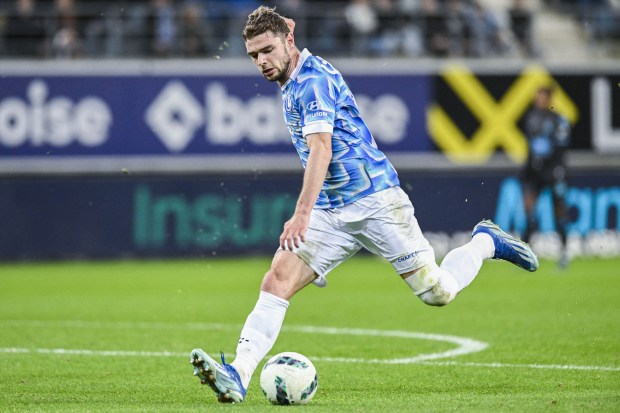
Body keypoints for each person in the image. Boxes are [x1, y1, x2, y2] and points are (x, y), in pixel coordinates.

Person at [189, 6, 539, 403]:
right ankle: (238, 373)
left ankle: (485, 242)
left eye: (267, 51)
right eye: (254, 56)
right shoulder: (291, 81)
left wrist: (300, 213)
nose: (261, 62)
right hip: (330, 209)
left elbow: (322, 149)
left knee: (437, 293)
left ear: (289, 38)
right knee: (276, 281)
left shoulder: (313, 82)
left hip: (375, 201)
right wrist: (314, 210)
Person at [520, 85, 571, 268]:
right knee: (529, 212)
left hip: (553, 173)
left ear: (549, 99)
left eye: (543, 97)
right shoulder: (530, 118)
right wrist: (526, 171)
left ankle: (564, 253)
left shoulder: (558, 120)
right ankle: (525, 255)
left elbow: (561, 149)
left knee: (559, 212)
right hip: (535, 173)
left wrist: (559, 170)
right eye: (537, 97)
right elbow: (530, 149)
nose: (539, 100)